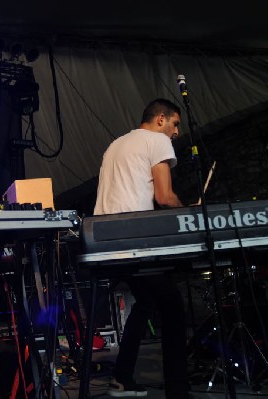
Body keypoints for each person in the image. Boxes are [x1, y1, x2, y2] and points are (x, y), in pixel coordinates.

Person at [94, 98, 189, 398]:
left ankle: (121, 378)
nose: (176, 133)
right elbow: (164, 197)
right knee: (173, 306)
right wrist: (191, 216)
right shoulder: (157, 141)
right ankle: (179, 392)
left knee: (146, 301)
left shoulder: (116, 144)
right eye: (175, 124)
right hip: (134, 240)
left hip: (104, 242)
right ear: (161, 119)